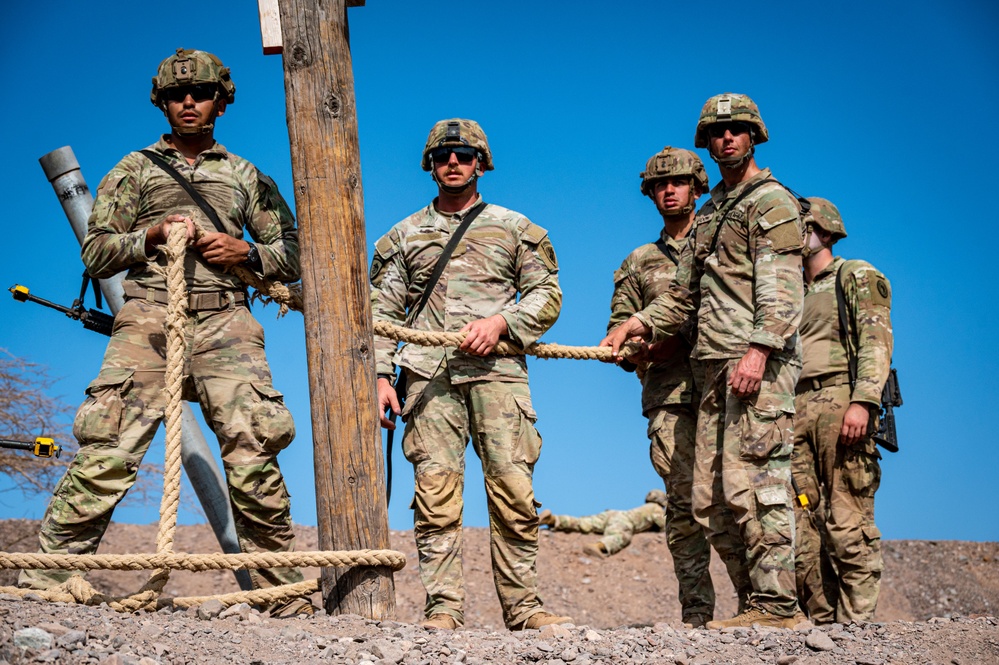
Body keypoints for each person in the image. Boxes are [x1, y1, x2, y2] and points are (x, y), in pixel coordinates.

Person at [19, 48, 311, 617]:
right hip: (151, 315)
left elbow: (296, 252)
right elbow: (97, 252)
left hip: (227, 319)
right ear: (162, 102)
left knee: (254, 449)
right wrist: (150, 236)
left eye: (200, 93)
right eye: (177, 95)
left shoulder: (246, 177)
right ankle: (45, 582)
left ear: (220, 103)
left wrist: (246, 251)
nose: (188, 102)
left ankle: (282, 595)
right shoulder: (134, 169)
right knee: (109, 448)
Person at [602, 93, 806, 629]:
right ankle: (757, 605)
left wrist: (759, 351)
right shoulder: (713, 212)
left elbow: (783, 290)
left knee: (760, 484)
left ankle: (778, 606)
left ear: (754, 135)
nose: (727, 138)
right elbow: (683, 297)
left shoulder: (772, 203)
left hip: (753, 364)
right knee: (713, 496)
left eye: (737, 129)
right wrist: (637, 325)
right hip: (711, 371)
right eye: (717, 132)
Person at [370, 118, 570, 631]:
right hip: (427, 378)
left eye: (463, 155)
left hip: (497, 375)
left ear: (481, 163)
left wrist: (503, 322)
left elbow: (547, 295)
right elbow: (380, 314)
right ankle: (443, 608)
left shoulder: (515, 228)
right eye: (443, 156)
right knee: (434, 494)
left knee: (513, 492)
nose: (453, 163)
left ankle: (524, 609)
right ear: (431, 166)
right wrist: (380, 378)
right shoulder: (402, 237)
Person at [604, 147, 720, 628]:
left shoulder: (723, 241)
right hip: (670, 399)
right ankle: (697, 614)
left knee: (740, 496)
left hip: (729, 389)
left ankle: (764, 605)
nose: (669, 191)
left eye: (678, 182)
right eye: (659, 185)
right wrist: (645, 349)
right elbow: (619, 330)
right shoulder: (638, 262)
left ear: (697, 187)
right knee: (683, 503)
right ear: (650, 194)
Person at [791, 197, 892, 623]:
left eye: (803, 226)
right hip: (794, 409)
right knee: (800, 521)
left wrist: (863, 400)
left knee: (847, 518)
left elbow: (875, 340)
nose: (794, 235)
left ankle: (857, 629)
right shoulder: (788, 292)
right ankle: (823, 626)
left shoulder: (854, 274)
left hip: (839, 400)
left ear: (826, 232)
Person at [539, 490, 668, 559]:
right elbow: (663, 525)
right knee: (621, 536)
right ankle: (599, 546)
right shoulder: (656, 508)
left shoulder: (645, 507)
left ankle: (552, 519)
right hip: (624, 520)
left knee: (584, 523)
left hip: (612, 514)